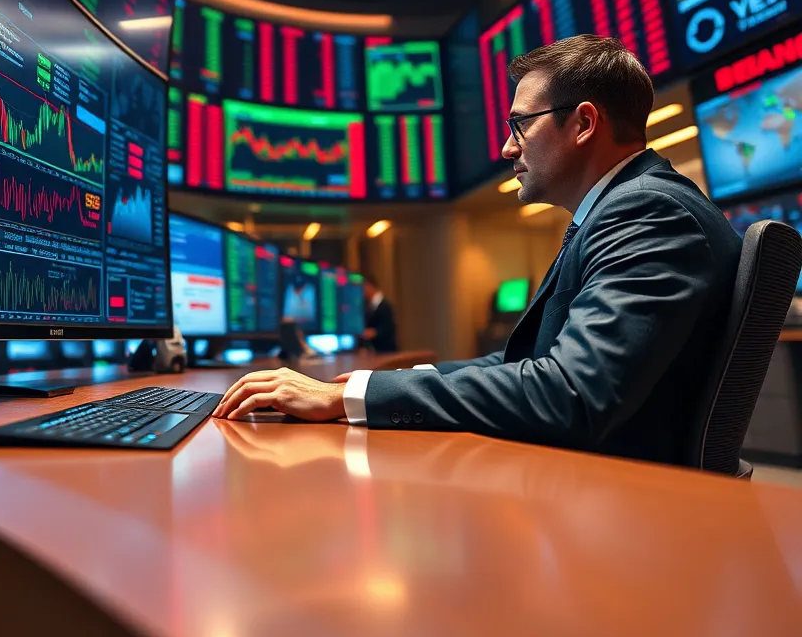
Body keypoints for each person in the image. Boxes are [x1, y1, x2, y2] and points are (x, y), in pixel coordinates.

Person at [214, 35, 743, 466]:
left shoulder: (648, 212)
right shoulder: (623, 210)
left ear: (583, 123)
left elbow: (570, 394)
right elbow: (528, 362)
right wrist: (374, 385)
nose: (507, 147)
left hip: (624, 509)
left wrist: (351, 399)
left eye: (520, 125)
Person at [361, 275, 398, 353]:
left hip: (386, 351)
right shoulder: (367, 305)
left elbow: (389, 327)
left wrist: (374, 332)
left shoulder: (385, 306)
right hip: (374, 351)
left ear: (370, 286)